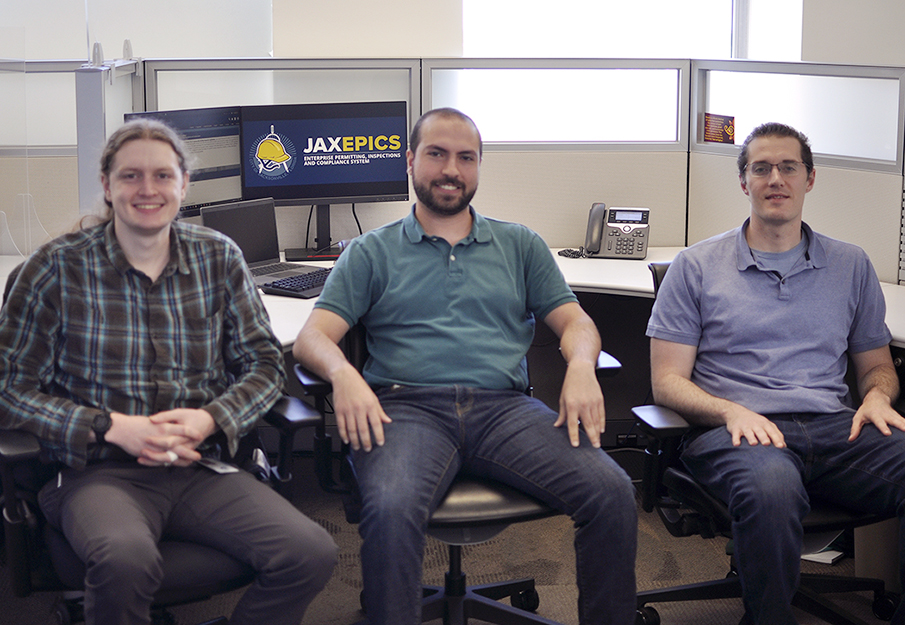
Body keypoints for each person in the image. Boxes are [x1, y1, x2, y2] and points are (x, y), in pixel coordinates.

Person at [293, 107, 637, 625]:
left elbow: (576, 324)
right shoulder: (370, 252)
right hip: (406, 410)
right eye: (436, 154)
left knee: (612, 493)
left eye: (465, 157)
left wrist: (582, 367)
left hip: (506, 412)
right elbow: (312, 338)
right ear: (410, 161)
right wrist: (343, 375)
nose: (451, 169)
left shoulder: (519, 244)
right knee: (388, 510)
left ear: (478, 167)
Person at [0, 119, 337, 625]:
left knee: (310, 552)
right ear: (107, 184)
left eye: (162, 176)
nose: (147, 189)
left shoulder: (218, 259)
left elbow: (265, 367)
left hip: (199, 465)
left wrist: (210, 420)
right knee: (125, 562)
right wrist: (109, 426)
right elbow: (9, 388)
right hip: (98, 472)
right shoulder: (55, 268)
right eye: (130, 176)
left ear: (184, 185)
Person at [646, 121, 905, 625]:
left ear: (810, 179)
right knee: (772, 490)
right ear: (744, 183)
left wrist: (877, 398)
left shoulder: (851, 265)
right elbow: (667, 382)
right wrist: (730, 411)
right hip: (734, 429)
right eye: (761, 168)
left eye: (789, 167)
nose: (775, 179)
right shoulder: (696, 266)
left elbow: (877, 366)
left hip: (836, 429)